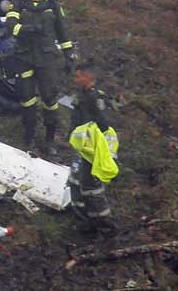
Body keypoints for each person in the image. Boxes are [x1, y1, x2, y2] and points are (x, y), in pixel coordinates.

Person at [5, 0, 76, 153]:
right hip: (24, 57)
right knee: (27, 98)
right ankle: (29, 136)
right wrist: (26, 29)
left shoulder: (52, 5)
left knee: (49, 99)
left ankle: (50, 140)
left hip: (46, 59)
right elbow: (10, 26)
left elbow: (63, 33)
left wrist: (69, 56)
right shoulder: (18, 3)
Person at [67, 62, 116, 235]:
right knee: (75, 181)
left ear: (89, 77)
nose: (76, 79)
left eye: (79, 76)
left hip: (92, 151)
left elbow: (103, 125)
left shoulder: (96, 98)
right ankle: (83, 220)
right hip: (80, 149)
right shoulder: (80, 95)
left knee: (91, 186)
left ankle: (104, 225)